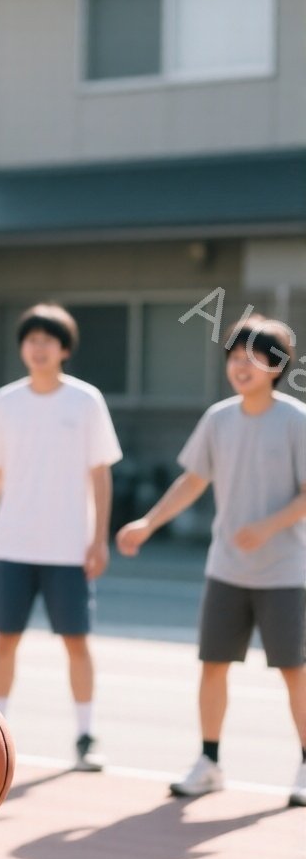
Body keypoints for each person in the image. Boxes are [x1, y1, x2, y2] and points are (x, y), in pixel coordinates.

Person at [117, 317, 306, 806]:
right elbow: (192, 481)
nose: (240, 366)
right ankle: (209, 762)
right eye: (234, 357)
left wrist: (267, 526)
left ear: (277, 366)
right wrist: (148, 523)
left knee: (295, 671)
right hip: (226, 569)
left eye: (253, 357)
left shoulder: (295, 420)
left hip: (286, 572)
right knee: (213, 666)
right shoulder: (218, 419)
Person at [0, 303, 122, 771]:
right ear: (22, 347)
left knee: (77, 642)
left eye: (47, 341)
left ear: (64, 349)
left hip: (69, 547)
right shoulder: (6, 401)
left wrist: (99, 539)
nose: (37, 348)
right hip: (13, 544)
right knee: (4, 640)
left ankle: (85, 736)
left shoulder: (86, 400)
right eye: (30, 340)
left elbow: (101, 474)